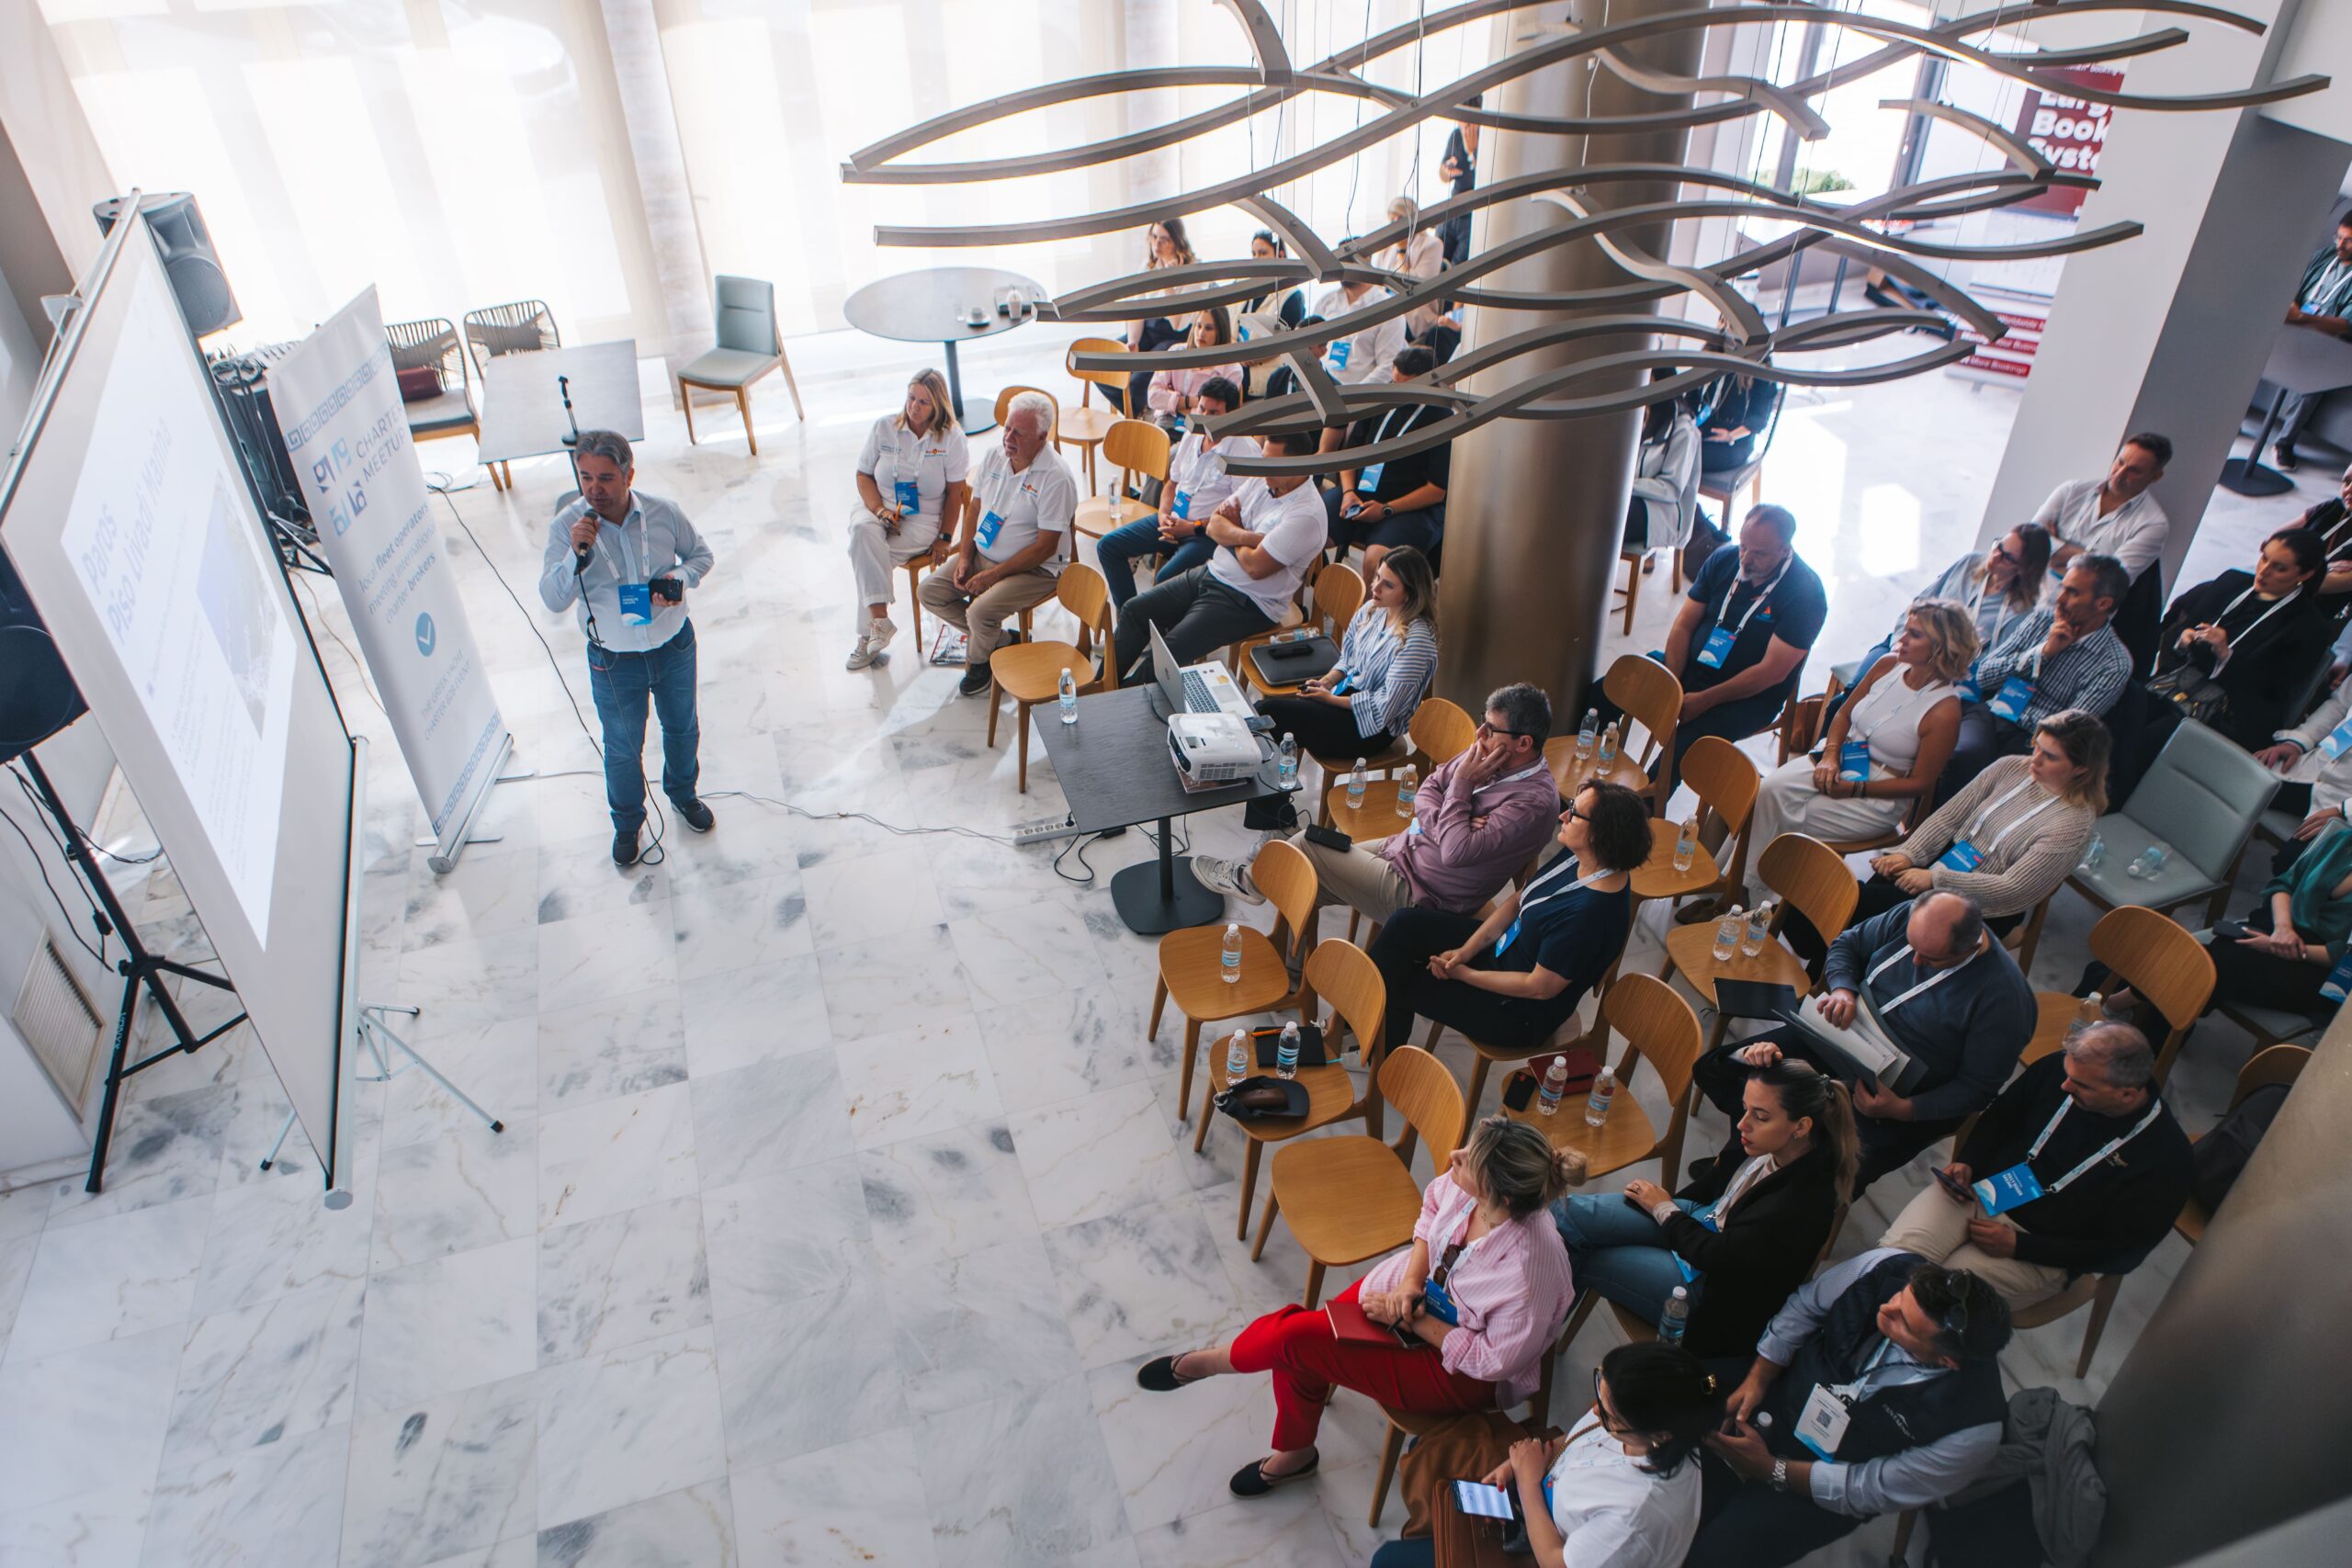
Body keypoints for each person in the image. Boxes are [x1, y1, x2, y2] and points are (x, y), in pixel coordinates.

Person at [1136, 1116, 1577, 1498]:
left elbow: (1492, 1361)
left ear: (1501, 1197)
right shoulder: (1471, 1185)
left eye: (1467, 1160)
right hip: (1407, 1293)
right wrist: (1410, 1283)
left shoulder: (1530, 1272)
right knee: (1304, 1341)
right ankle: (1295, 1451)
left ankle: (1212, 1365)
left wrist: (1413, 1319)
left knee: (1296, 1339)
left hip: (1456, 1369)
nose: (1454, 1156)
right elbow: (1431, 1211)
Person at [1687, 1252, 2012, 1568]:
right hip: (1775, 1388)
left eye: (1904, 1322)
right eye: (1900, 1296)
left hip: (1819, 1485)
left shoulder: (1973, 1431)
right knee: (1682, 1388)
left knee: (1716, 1555)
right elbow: (1805, 1306)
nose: (1886, 1308)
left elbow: (1867, 1488)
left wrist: (1772, 1469)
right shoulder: (1888, 1267)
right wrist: (1758, 1378)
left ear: (1946, 1360)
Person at [1696, 894, 2033, 1193]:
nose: (1915, 962)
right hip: (1839, 1035)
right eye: (1911, 946)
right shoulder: (1912, 914)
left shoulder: (2006, 1002)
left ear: (1969, 948)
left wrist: (1901, 1109)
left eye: (1930, 958)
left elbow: (1976, 1089)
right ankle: (1751, 1157)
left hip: (1896, 1093)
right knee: (1725, 1066)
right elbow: (1847, 945)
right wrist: (1844, 988)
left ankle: (1762, 1188)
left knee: (1823, 1168)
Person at [1551, 1059, 1856, 1359]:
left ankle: (1536, 1338)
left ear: (1801, 1126)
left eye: (1760, 1116)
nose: (1742, 1124)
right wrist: (1745, 1055)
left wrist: (1664, 1210)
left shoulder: (1798, 1204)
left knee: (1590, 1256)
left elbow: (1713, 1255)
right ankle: (1537, 1327)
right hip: (1706, 1219)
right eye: (1745, 1108)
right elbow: (1709, 1069)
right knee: (1568, 1213)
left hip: (1710, 1286)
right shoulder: (1775, 1139)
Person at [1198, 679, 1558, 931]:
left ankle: (1250, 882)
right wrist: (1455, 816)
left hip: (1425, 894)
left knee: (1305, 844)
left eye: (1491, 729)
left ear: (1523, 743)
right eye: (1483, 722)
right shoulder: (1489, 753)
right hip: (1405, 849)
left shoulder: (1533, 804)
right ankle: (1292, 970)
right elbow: (1430, 787)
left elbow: (1453, 852)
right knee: (1303, 879)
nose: (1480, 735)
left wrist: (1460, 787)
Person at [1881, 1021, 2190, 1308]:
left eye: (2081, 1085)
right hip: (1979, 1191)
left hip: (2042, 1250)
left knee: (1933, 1302)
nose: (2065, 1086)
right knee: (1888, 1265)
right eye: (2068, 1073)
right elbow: (2001, 1117)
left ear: (2127, 1095)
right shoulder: (2061, 1069)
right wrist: (1968, 1163)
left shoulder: (2167, 1159)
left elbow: (2122, 1252)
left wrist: (2021, 1246)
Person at [1368, 1342, 1721, 1568]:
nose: (1594, 1412)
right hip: (1539, 1500)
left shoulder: (1636, 1516)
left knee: (1388, 1561)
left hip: (1544, 1546)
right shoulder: (1647, 1419)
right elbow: (1581, 1437)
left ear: (1659, 1435)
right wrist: (1517, 1465)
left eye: (1610, 1416)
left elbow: (1556, 1561)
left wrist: (1527, 1482)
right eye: (1600, 1388)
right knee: (1430, 1455)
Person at [538, 429, 718, 867]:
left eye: (605, 478)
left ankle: (683, 794)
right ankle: (627, 823)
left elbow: (701, 556)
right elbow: (553, 600)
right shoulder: (567, 528)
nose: (593, 489)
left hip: (673, 646)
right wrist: (575, 555)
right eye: (585, 478)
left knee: (682, 728)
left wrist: (680, 578)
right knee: (621, 746)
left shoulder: (663, 513)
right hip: (614, 661)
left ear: (628, 475)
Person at [1724, 602, 1973, 910]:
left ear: (1940, 648)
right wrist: (1830, 756)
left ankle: (1744, 897)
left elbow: (1921, 784)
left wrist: (1856, 788)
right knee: (1764, 792)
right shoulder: (1887, 665)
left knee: (1786, 818)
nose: (1902, 638)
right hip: (1841, 757)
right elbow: (1842, 714)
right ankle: (1736, 889)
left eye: (1915, 634)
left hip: (1879, 793)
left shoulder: (1944, 711)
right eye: (1906, 629)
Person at [1370, 782, 1651, 1054]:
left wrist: (1465, 974)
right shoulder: (1581, 855)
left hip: (1518, 1009)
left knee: (1398, 981)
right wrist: (1466, 950)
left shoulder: (1591, 914)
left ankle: (1379, 1059)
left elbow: (1539, 987)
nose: (1563, 816)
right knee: (1405, 925)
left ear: (1600, 834)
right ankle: (1363, 1022)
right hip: (1504, 951)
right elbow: (1519, 900)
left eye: (1575, 814)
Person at [1830, 710, 2107, 954]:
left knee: (1857, 906)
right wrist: (1909, 854)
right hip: (1944, 860)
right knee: (1863, 900)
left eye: (2050, 756)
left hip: (1985, 903)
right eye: (2037, 746)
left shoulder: (2072, 825)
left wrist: (1936, 879)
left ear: (2081, 769)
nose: (2035, 759)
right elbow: (1949, 817)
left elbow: (2014, 889)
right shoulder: (2010, 767)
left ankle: (1835, 970)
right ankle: (1830, 968)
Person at [1110, 428, 1327, 682]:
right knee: (1134, 611)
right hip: (1212, 572)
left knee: (1164, 656)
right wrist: (1248, 536)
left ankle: (1120, 702)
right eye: (1264, 461)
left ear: (1298, 464)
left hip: (1248, 601)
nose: (1263, 469)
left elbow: (1255, 567)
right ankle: (1102, 688)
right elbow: (1214, 524)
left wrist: (1233, 530)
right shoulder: (1263, 479)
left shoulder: (1306, 514)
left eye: (1272, 464)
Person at [1638, 504, 1827, 795]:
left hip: (1746, 698)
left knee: (1681, 747)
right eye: (1743, 546)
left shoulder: (1806, 594)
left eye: (1759, 553)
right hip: (1691, 670)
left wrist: (1705, 700)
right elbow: (1684, 625)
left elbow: (1771, 673)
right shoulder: (1725, 558)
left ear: (1784, 549)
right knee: (1619, 683)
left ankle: (1642, 806)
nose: (1746, 559)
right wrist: (1673, 683)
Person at [2102, 820, 2352, 1028]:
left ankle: (2116, 1005)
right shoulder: (2341, 841)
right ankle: (2138, 1030)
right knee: (2212, 966)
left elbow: (2345, 958)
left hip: (2323, 970)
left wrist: (2286, 947)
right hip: (2278, 925)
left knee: (2216, 963)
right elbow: (2283, 884)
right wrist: (2283, 928)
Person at [1931, 554, 2132, 808]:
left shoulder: (2114, 663)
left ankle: (1964, 832)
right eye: (2063, 588)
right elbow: (1984, 676)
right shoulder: (2042, 620)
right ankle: (1932, 825)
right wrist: (2042, 653)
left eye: (2072, 593)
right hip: (1992, 714)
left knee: (2002, 782)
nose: (2060, 599)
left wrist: (2024, 718)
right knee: (1964, 756)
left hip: (2038, 741)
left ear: (2103, 603)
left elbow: (2068, 730)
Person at [917, 391, 1080, 697]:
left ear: (1042, 437)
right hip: (983, 553)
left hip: (1037, 569)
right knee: (929, 592)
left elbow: (1045, 547)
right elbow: (974, 510)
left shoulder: (1056, 477)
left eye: (1019, 433)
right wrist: (965, 558)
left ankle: (980, 665)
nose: (1008, 438)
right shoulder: (995, 456)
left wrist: (993, 575)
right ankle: (1003, 641)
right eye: (1007, 428)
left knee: (979, 613)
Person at [2146, 525, 2327, 752]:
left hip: (2231, 712)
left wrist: (2226, 656)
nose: (2264, 571)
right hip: (2177, 684)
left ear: (2305, 575)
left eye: (2279, 568)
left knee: (2155, 733)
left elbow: (2270, 693)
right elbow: (2180, 629)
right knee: (2130, 708)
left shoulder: (2308, 628)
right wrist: (2184, 638)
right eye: (2264, 558)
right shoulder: (2233, 582)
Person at [844, 369, 967, 671]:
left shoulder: (952, 438)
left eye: (924, 402)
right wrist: (880, 511)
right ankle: (880, 622)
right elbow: (863, 475)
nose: (914, 407)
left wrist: (945, 537)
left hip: (923, 518)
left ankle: (868, 635)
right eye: (911, 398)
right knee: (862, 532)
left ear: (938, 404)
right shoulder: (884, 427)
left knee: (868, 557)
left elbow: (956, 493)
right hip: (878, 505)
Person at [1091, 376, 1248, 607]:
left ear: (1231, 414)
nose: (1204, 417)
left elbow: (1239, 516)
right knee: (1108, 547)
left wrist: (1191, 527)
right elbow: (1172, 484)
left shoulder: (1243, 450)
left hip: (1206, 534)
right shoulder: (1193, 433)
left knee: (1165, 579)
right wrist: (1164, 515)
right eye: (1201, 408)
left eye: (1213, 413)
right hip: (1173, 520)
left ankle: (1140, 620)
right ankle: (1132, 619)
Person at [2033, 434, 2171, 669]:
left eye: (2134, 471)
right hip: (2030, 595)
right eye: (2120, 462)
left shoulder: (2153, 524)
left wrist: (2055, 549)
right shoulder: (2072, 491)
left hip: (2073, 622)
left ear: (2155, 476)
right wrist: (2089, 560)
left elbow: (2109, 583)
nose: (2119, 474)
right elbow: (2031, 544)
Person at [1849, 525, 2052, 681]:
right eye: (1998, 546)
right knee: (1858, 684)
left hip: (1941, 675)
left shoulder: (2020, 612)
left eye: (2007, 557)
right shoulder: (1969, 563)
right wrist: (1897, 645)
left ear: (2023, 569)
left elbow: (1988, 662)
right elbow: (1920, 603)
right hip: (1905, 643)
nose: (1995, 556)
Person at [1324, 344, 1453, 577]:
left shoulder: (1441, 418)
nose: (1397, 392)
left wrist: (1386, 509)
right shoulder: (1380, 400)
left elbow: (1436, 491)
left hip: (1408, 509)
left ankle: (1366, 603)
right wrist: (1348, 492)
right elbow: (1350, 455)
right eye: (1394, 382)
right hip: (1358, 494)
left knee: (1377, 562)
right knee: (1308, 531)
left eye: (1406, 386)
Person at [2268, 213, 2352, 473]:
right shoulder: (2325, 256)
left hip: (2330, 339)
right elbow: (2293, 286)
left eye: (2349, 241)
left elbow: (2345, 324)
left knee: (2315, 377)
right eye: (2338, 237)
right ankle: (2230, 418)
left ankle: (2284, 443)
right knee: (2253, 345)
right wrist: (2292, 310)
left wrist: (2303, 318)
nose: (2340, 245)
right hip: (2296, 324)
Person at [2254, 664, 2352, 869]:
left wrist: (2345, 811)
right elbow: (2340, 705)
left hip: (2344, 804)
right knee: (2238, 786)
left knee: (2290, 866)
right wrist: (2298, 742)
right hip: (2319, 768)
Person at [1124, 218, 1197, 414]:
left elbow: (1177, 323)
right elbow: (1137, 308)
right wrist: (1133, 341)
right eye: (1154, 237)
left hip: (1174, 335)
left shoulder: (1191, 271)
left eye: (1164, 240)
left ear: (1177, 242)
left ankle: (1137, 414)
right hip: (1149, 327)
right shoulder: (1148, 266)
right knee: (1108, 363)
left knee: (1136, 382)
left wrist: (1167, 280)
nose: (1157, 244)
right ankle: (1135, 411)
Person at [1143, 307, 1243, 425]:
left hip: (1202, 429)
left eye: (1208, 328)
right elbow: (1153, 398)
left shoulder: (1233, 370)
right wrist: (1192, 401)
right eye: (1198, 326)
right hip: (1167, 420)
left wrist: (1173, 401)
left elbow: (1213, 417)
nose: (1201, 333)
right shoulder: (1176, 352)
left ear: (1221, 332)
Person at [1312, 274, 1407, 387]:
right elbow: (1311, 348)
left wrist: (1353, 394)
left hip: (1361, 393)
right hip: (1321, 387)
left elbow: (1388, 366)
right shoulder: (1326, 301)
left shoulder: (1388, 309)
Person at [1378, 196, 1447, 337]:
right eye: (1392, 219)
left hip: (1412, 312)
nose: (1396, 223)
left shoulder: (1432, 245)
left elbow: (1415, 286)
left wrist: (1402, 251)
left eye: (1400, 218)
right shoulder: (1387, 248)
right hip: (1385, 308)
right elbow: (1378, 285)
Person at [1698, 369, 1781, 477]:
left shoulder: (1761, 370)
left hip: (1736, 444)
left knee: (1685, 454)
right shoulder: (1722, 362)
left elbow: (1759, 419)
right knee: (1681, 448)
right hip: (1705, 433)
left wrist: (1730, 436)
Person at [1438, 96, 1481, 265]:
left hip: (1472, 215)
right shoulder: (1456, 135)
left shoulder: (1486, 139)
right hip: (1453, 210)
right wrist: (1447, 171)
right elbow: (1442, 175)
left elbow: (1486, 178)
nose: (1464, 127)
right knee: (1437, 260)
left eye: (1469, 123)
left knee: (1458, 266)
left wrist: (1472, 152)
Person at [1240, 229, 1307, 332]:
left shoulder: (1292, 296)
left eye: (1263, 253)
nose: (1256, 259)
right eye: (1254, 254)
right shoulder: (1245, 289)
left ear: (1280, 255)